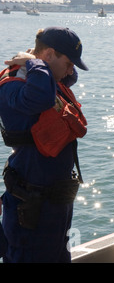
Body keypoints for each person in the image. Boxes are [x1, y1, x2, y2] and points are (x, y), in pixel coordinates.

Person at [0, 27, 88, 263]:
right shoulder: (14, 85)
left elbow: (67, 78)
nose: (71, 71)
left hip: (54, 206)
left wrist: (37, 64)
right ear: (49, 55)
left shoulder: (46, 78)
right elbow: (40, 98)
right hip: (31, 209)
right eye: (69, 62)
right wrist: (34, 63)